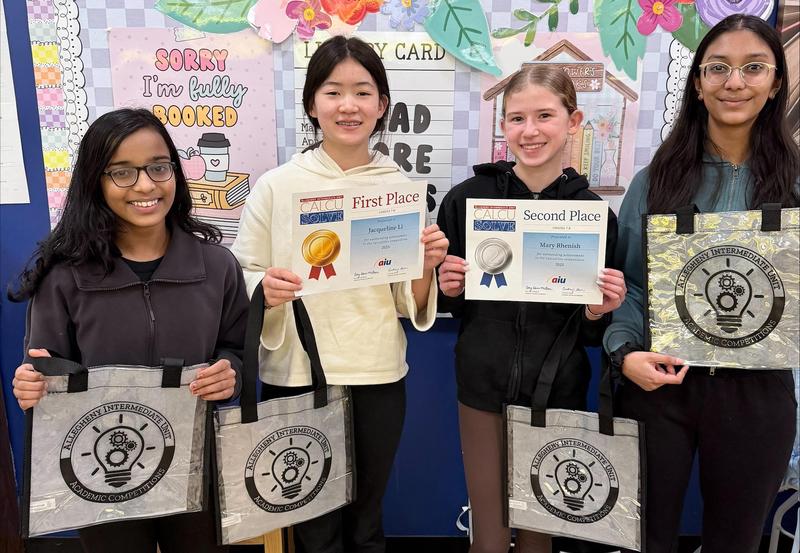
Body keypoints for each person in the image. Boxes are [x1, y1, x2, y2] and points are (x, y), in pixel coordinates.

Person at [230, 36, 448, 553]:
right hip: (298, 373)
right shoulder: (277, 185)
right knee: (311, 517)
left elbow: (407, 300)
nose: (348, 105)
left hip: (377, 372)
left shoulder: (399, 188)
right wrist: (266, 289)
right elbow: (240, 274)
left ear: (382, 105)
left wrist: (425, 267)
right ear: (312, 104)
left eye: (363, 92)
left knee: (367, 516)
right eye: (333, 92)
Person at [10, 108, 249, 553]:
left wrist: (230, 372)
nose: (145, 185)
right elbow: (43, 370)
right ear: (95, 182)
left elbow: (238, 351)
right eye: (122, 172)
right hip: (100, 469)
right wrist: (33, 386)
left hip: (198, 462)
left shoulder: (217, 266)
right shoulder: (64, 276)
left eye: (158, 167)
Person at [603, 14, 799, 553]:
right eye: (718, 68)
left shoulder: (795, 184)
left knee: (735, 541)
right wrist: (625, 354)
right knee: (645, 539)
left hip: (758, 391)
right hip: (662, 383)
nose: (735, 82)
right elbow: (632, 285)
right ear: (697, 83)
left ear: (775, 83)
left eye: (753, 68)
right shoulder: (656, 181)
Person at [436, 65, 627, 553]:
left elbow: (591, 332)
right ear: (503, 126)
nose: (530, 130)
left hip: (558, 388)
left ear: (573, 120)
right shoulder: (466, 200)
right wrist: (448, 287)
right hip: (482, 387)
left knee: (540, 532)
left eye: (545, 115)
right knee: (490, 534)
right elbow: (451, 306)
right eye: (517, 118)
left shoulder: (593, 215)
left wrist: (598, 311)